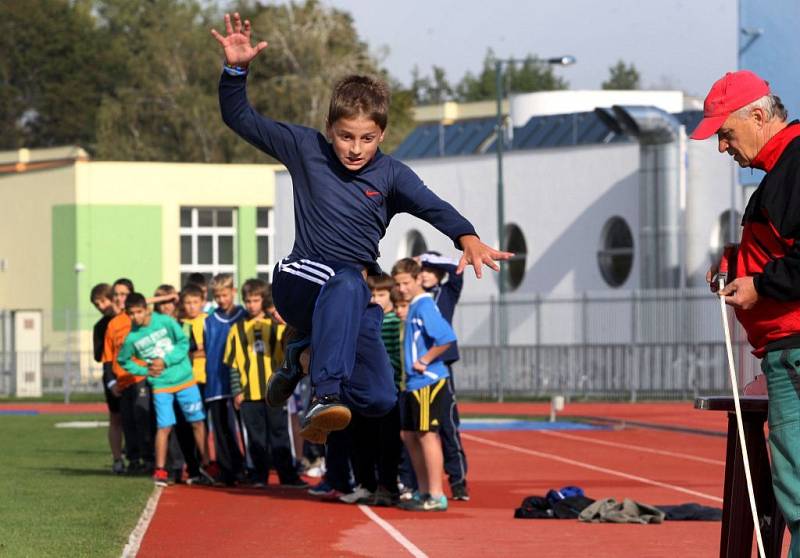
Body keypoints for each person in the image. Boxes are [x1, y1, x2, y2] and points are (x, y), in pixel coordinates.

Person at [211, 12, 511, 443]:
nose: (354, 149)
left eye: (366, 139)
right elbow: (240, 117)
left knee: (379, 396)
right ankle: (322, 393)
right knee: (349, 281)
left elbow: (432, 206)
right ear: (330, 129)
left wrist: (467, 236)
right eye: (345, 137)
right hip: (302, 279)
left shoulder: (391, 175)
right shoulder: (305, 148)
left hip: (350, 297)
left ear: (382, 134)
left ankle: (302, 356)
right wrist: (236, 70)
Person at [693, 70, 800, 556]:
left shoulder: (793, 167)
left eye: (725, 133)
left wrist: (760, 284)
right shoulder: (783, 171)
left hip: (795, 349)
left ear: (758, 116)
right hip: (785, 348)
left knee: (798, 493)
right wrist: (740, 262)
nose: (722, 147)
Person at [117, 293, 213, 487]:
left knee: (198, 422)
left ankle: (208, 465)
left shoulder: (165, 322)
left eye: (139, 312)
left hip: (185, 379)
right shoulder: (131, 338)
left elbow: (183, 343)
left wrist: (166, 360)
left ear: (146, 310)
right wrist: (145, 371)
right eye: (131, 313)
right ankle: (160, 470)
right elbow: (123, 360)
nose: (136, 316)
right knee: (164, 427)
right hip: (161, 386)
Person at [226, 278, 307, 488]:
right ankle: (258, 476)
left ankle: (287, 475)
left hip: (275, 391)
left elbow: (290, 354)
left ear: (263, 300)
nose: (251, 305)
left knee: (279, 434)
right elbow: (233, 364)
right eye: (248, 301)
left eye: (255, 300)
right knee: (255, 437)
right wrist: (237, 391)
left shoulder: (277, 326)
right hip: (249, 393)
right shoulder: (237, 329)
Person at [392, 258, 455, 512]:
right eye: (398, 284)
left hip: (428, 380)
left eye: (406, 283)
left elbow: (446, 337)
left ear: (418, 279)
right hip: (412, 383)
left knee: (427, 435)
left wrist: (425, 360)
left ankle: (436, 494)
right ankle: (423, 489)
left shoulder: (425, 304)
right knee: (408, 434)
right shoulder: (415, 306)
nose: (402, 289)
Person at [418, 252, 469, 501]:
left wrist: (425, 257)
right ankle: (415, 482)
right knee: (415, 428)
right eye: (422, 270)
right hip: (414, 369)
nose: (425, 273)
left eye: (430, 270)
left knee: (448, 426)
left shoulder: (446, 293)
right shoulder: (412, 297)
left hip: (441, 367)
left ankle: (458, 481)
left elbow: (457, 268)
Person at [103, 278, 154, 473]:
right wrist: (111, 382)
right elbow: (108, 357)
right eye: (115, 294)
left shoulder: (146, 321)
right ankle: (133, 460)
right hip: (122, 381)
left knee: (143, 417)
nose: (119, 298)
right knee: (128, 422)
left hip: (141, 378)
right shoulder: (113, 324)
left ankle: (149, 458)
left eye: (123, 294)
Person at [203, 273, 246, 484]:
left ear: (233, 292)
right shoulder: (208, 321)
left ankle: (248, 468)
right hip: (216, 384)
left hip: (243, 384)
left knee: (243, 430)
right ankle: (228, 471)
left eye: (225, 295)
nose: (221, 299)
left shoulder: (245, 316)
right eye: (217, 296)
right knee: (221, 431)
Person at [90, 283, 125, 474]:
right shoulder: (100, 326)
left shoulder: (130, 317)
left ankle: (142, 457)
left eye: (103, 301)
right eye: (97, 305)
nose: (101, 307)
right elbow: (99, 355)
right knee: (116, 418)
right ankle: (118, 459)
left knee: (138, 417)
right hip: (112, 377)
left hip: (133, 375)